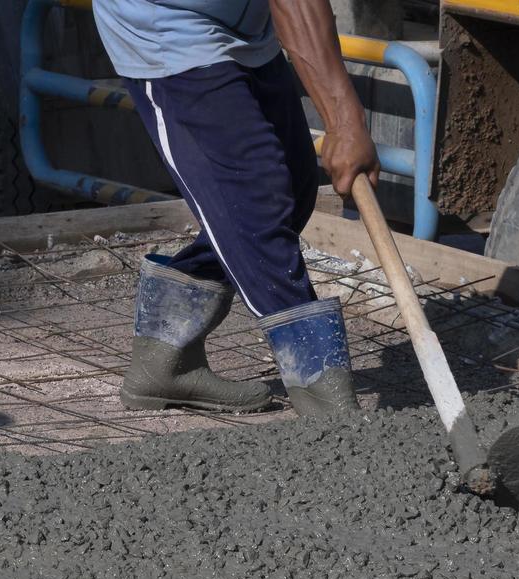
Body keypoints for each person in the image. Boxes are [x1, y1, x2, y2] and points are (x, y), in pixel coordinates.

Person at [94, 0, 380, 416]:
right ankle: (329, 409)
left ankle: (164, 359)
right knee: (255, 200)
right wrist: (344, 121)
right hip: (169, 25)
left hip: (246, 26)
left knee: (293, 189)